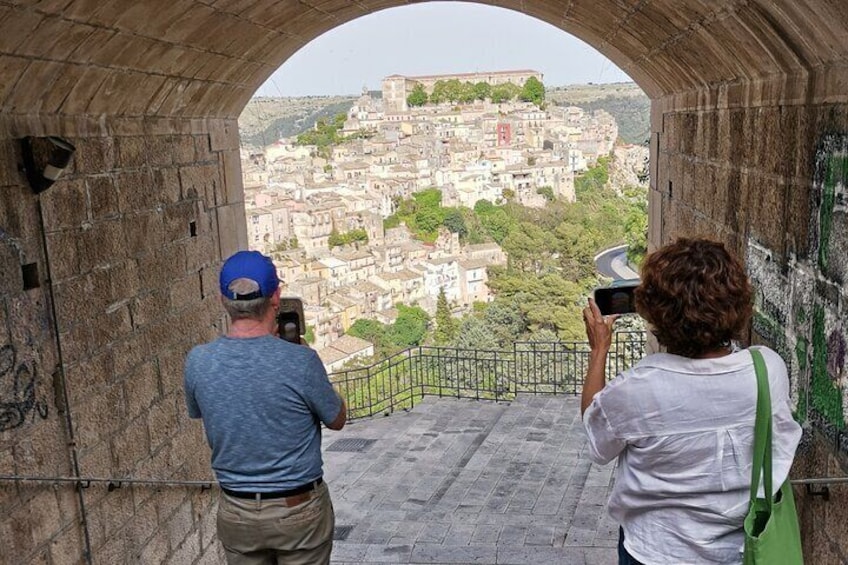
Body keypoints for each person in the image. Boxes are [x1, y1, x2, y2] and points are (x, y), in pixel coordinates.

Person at [581, 238, 802, 565]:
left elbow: (596, 439)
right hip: (740, 551)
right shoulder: (766, 370)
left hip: (655, 551)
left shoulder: (638, 389)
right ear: (739, 302)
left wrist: (599, 350)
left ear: (655, 312)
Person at [184, 250, 347, 565]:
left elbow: (204, 411)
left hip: (237, 511)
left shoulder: (198, 361)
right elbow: (337, 419)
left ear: (222, 300)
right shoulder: (300, 361)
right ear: (276, 297)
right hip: (297, 509)